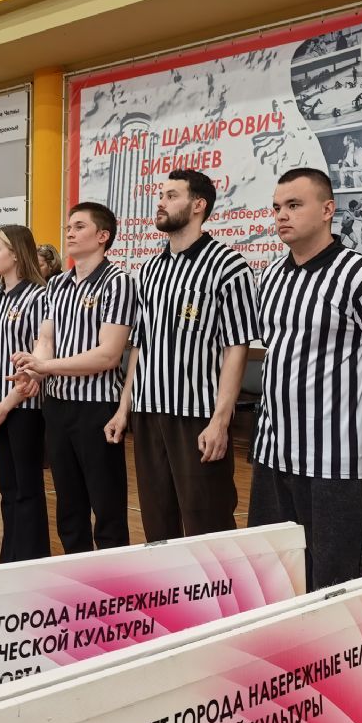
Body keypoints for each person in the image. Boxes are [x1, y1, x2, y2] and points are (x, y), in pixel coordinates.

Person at [247, 168, 362, 590]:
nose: (282, 215)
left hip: (337, 462)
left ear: (328, 210)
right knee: (276, 578)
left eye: (294, 205)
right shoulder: (270, 277)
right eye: (277, 207)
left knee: (336, 583)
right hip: (273, 454)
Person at [106, 170, 257, 541]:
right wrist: (124, 409)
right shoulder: (150, 270)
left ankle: (219, 583)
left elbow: (236, 348)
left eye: (172, 196)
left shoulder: (229, 266)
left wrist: (221, 421)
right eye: (161, 195)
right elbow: (140, 345)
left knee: (208, 524)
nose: (161, 203)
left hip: (197, 415)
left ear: (198, 205)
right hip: (148, 414)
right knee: (157, 522)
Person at [13, 202, 136, 553]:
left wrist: (45, 368)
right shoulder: (58, 284)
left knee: (106, 505)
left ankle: (114, 578)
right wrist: (31, 368)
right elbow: (46, 339)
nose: (69, 232)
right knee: (68, 505)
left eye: (79, 227)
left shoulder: (118, 282)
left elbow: (108, 354)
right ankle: (76, 575)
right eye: (68, 226)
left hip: (97, 407)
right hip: (57, 405)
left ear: (103, 236)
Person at [0, 225, 50, 562]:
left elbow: (39, 356)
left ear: (17, 253)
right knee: (8, 488)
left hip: (24, 406)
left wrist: (6, 405)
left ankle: (30, 559)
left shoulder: (39, 296)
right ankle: (10, 558)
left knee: (27, 487)